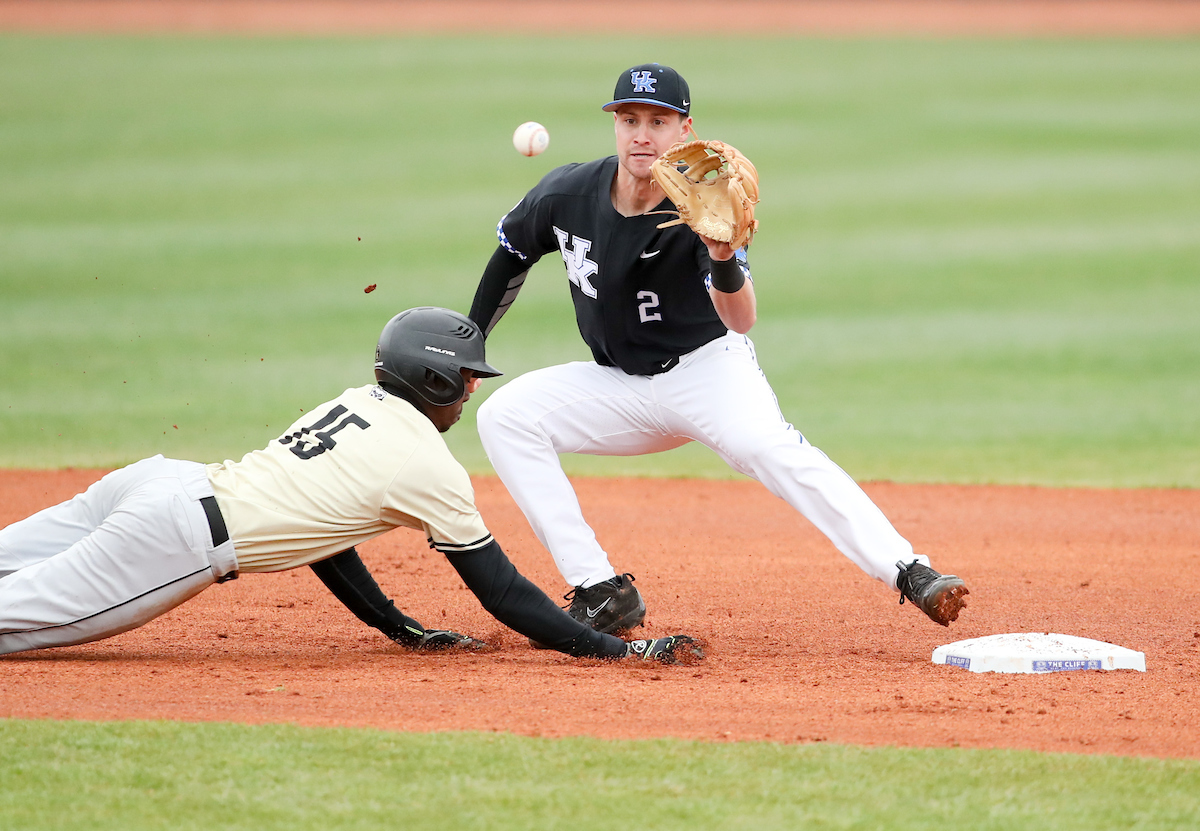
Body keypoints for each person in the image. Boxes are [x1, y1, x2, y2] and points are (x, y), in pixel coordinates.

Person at [468, 63, 969, 638]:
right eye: (629, 119)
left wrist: (724, 257)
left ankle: (909, 570)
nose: (641, 135)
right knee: (506, 417)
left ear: (684, 130)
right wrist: (472, 341)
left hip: (707, 372)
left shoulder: (703, 206)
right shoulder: (568, 192)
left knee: (772, 449)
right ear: (614, 124)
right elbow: (512, 251)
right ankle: (600, 589)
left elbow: (741, 320)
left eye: (658, 121)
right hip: (619, 386)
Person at [0, 307, 701, 664]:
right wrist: (621, 650)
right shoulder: (427, 464)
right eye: (463, 379)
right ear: (430, 380)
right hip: (169, 537)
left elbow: (324, 534)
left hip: (154, 484)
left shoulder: (354, 403)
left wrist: (402, 629)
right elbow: (504, 592)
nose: (467, 393)